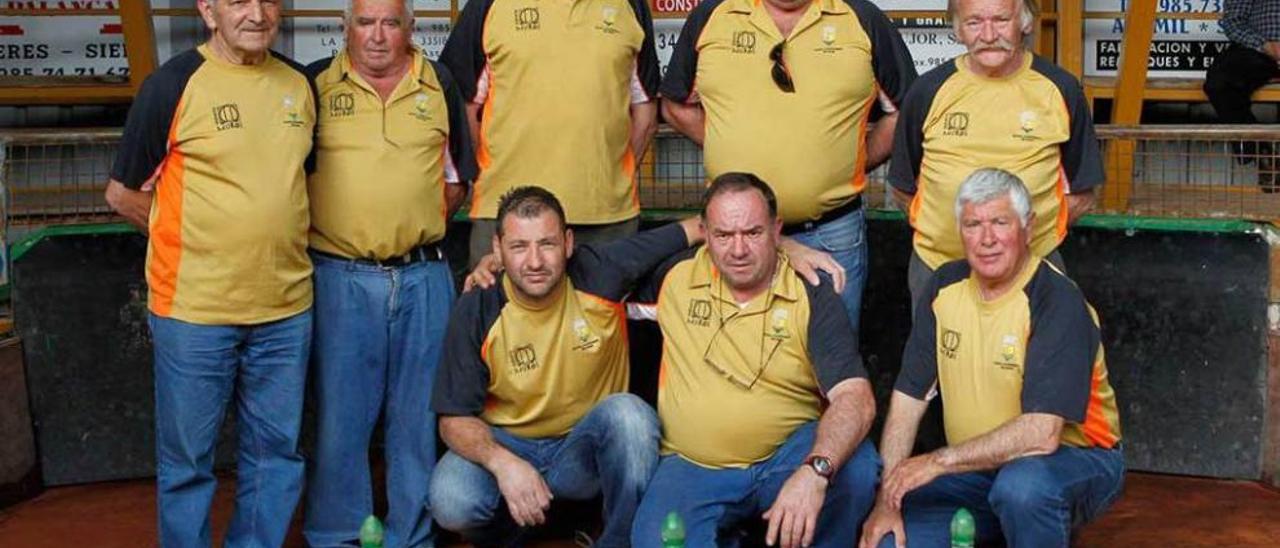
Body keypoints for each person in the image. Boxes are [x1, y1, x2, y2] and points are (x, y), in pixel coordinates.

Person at [102, 0, 315, 545]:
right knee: (188, 464)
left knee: (275, 455)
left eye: (268, 1)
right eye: (238, 1)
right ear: (208, 10)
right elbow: (123, 194)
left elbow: (293, 186)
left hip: (285, 310)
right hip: (193, 310)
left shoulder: (298, 86)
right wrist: (194, 239)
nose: (257, 13)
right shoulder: (172, 86)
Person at [860, 168, 1124, 548]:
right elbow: (908, 399)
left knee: (1023, 490)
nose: (986, 240)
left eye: (1000, 222)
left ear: (1027, 228)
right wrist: (886, 502)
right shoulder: (944, 286)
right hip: (977, 469)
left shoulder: (1055, 299)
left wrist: (937, 462)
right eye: (972, 224)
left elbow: (1042, 434)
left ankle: (1037, 524)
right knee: (889, 537)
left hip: (1076, 460)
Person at [429, 187, 702, 547]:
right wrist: (504, 465)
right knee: (451, 501)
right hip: (509, 444)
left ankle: (617, 540)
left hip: (582, 447)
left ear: (569, 243)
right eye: (518, 246)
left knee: (631, 417)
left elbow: (702, 227)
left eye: (547, 244)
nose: (535, 261)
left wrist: (786, 245)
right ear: (496, 250)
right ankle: (527, 529)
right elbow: (452, 421)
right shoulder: (478, 304)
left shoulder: (602, 269)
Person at [301, 1, 478, 546]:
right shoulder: (312, 88)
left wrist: (405, 225)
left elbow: (456, 181)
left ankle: (411, 535)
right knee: (340, 422)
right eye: (364, 22)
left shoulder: (438, 83)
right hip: (339, 276)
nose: (377, 36)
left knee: (416, 420)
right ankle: (337, 535)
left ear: (411, 29)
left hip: (424, 277)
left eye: (390, 23)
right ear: (344, 29)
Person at [630, 173, 880, 548]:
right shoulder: (675, 277)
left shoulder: (808, 289)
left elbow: (856, 398)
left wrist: (816, 470)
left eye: (753, 232)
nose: (738, 250)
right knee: (654, 540)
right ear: (704, 233)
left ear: (776, 230)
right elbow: (594, 268)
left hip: (786, 458)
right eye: (723, 235)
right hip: (694, 466)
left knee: (856, 467)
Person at [660, 0, 916, 333]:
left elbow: (908, 111)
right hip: (735, 237)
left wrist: (851, 162)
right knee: (737, 355)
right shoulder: (713, 15)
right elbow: (675, 105)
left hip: (830, 232)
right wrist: (729, 150)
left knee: (831, 362)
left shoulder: (862, 18)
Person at [889, 0, 1104, 309]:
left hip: (1034, 270)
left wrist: (1022, 241)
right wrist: (950, 236)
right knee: (938, 357)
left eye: (1001, 20)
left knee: (1038, 357)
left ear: (1026, 23)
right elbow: (901, 188)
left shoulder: (1060, 89)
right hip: (939, 268)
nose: (988, 34)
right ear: (958, 29)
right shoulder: (927, 91)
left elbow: (1083, 191)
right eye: (974, 22)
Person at [438, 0, 662, 265]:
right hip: (506, 215)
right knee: (502, 306)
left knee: (600, 308)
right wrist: (487, 174)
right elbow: (462, 106)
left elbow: (645, 111)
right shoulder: (488, 5)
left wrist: (613, 176)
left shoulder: (630, 5)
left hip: (607, 222)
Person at [1204, 0, 1280, 191]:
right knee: (1219, 83)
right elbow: (1233, 21)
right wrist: (1265, 45)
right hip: (1259, 50)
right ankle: (1261, 149)